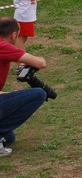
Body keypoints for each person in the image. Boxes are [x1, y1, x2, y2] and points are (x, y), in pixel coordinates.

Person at [0, 17, 47, 157]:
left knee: (9, 137)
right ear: (14, 35)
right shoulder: (3, 46)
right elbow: (40, 63)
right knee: (38, 94)